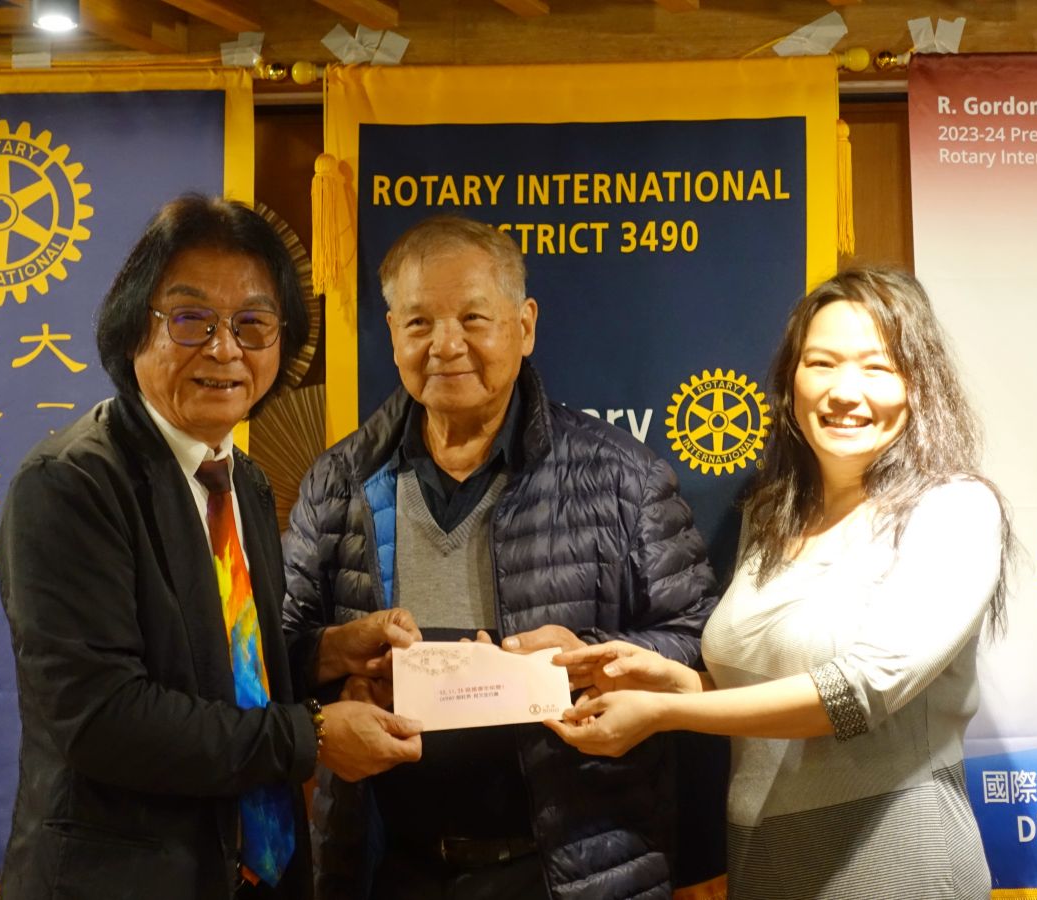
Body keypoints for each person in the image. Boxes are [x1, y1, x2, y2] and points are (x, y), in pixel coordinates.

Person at [0, 195, 424, 900]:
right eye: (192, 319)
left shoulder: (241, 480)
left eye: (253, 324)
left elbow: (221, 667)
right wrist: (312, 736)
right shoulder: (71, 483)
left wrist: (328, 655)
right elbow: (104, 718)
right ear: (132, 328)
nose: (225, 349)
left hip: (248, 873)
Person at [282, 215, 719, 899]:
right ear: (392, 334)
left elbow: (700, 645)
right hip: (389, 869)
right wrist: (336, 668)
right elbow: (277, 654)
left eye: (473, 318)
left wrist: (589, 655)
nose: (445, 345)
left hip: (576, 867)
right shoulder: (339, 481)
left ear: (525, 324)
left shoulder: (623, 478)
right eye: (419, 322)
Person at [548, 267, 1014, 900]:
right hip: (764, 858)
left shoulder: (954, 508)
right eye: (821, 363)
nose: (845, 391)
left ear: (918, 385)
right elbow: (765, 693)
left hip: (896, 857)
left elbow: (857, 693)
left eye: (877, 368)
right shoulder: (773, 514)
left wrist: (667, 713)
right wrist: (670, 680)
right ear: (792, 381)